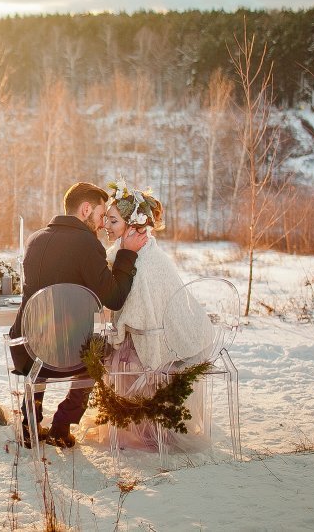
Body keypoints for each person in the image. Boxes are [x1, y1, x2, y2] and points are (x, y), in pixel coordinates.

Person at [9, 181, 148, 449]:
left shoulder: (34, 240)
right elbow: (114, 298)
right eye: (100, 215)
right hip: (70, 355)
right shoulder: (87, 244)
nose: (101, 223)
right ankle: (62, 424)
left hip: (27, 351)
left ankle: (30, 424)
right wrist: (127, 254)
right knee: (101, 349)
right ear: (86, 209)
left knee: (44, 338)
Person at [102, 181, 215, 449]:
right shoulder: (126, 252)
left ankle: (143, 426)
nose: (106, 224)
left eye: (113, 221)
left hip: (153, 343)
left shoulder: (145, 260)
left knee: (110, 352)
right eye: (106, 218)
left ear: (133, 227)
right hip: (150, 336)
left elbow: (133, 313)